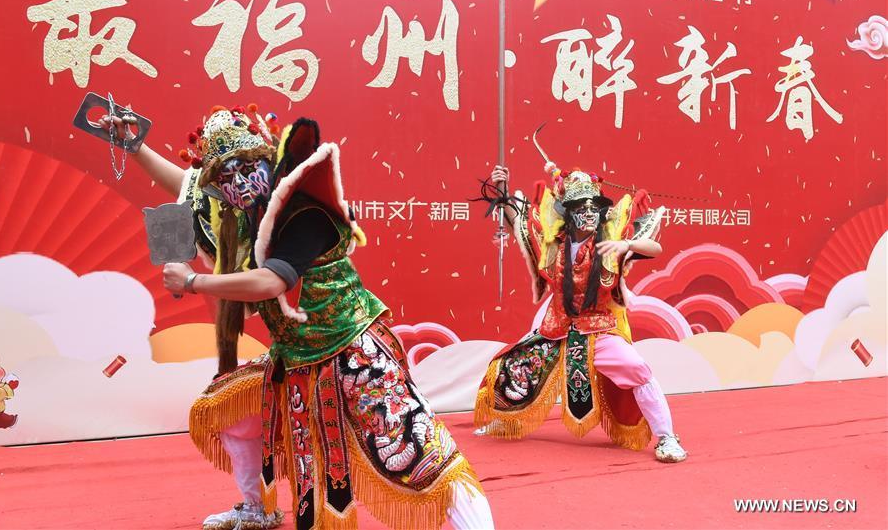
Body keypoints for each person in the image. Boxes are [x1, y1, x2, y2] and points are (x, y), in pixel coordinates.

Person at [101, 106, 494, 530]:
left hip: (353, 355)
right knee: (228, 410)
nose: (237, 181)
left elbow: (272, 282)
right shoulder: (246, 215)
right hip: (296, 361)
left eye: (247, 166)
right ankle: (258, 508)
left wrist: (195, 281)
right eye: (226, 175)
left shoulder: (306, 210)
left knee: (422, 462)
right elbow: (185, 184)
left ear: (268, 161)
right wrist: (132, 145)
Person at [474, 160, 687, 464]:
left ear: (601, 212)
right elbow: (522, 225)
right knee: (513, 365)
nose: (587, 213)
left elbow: (654, 248)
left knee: (637, 368)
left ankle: (666, 436)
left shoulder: (611, 242)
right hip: (557, 327)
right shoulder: (554, 245)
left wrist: (625, 243)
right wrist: (504, 191)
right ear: (569, 214)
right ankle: (507, 421)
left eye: (593, 209)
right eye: (579, 208)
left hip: (599, 330)